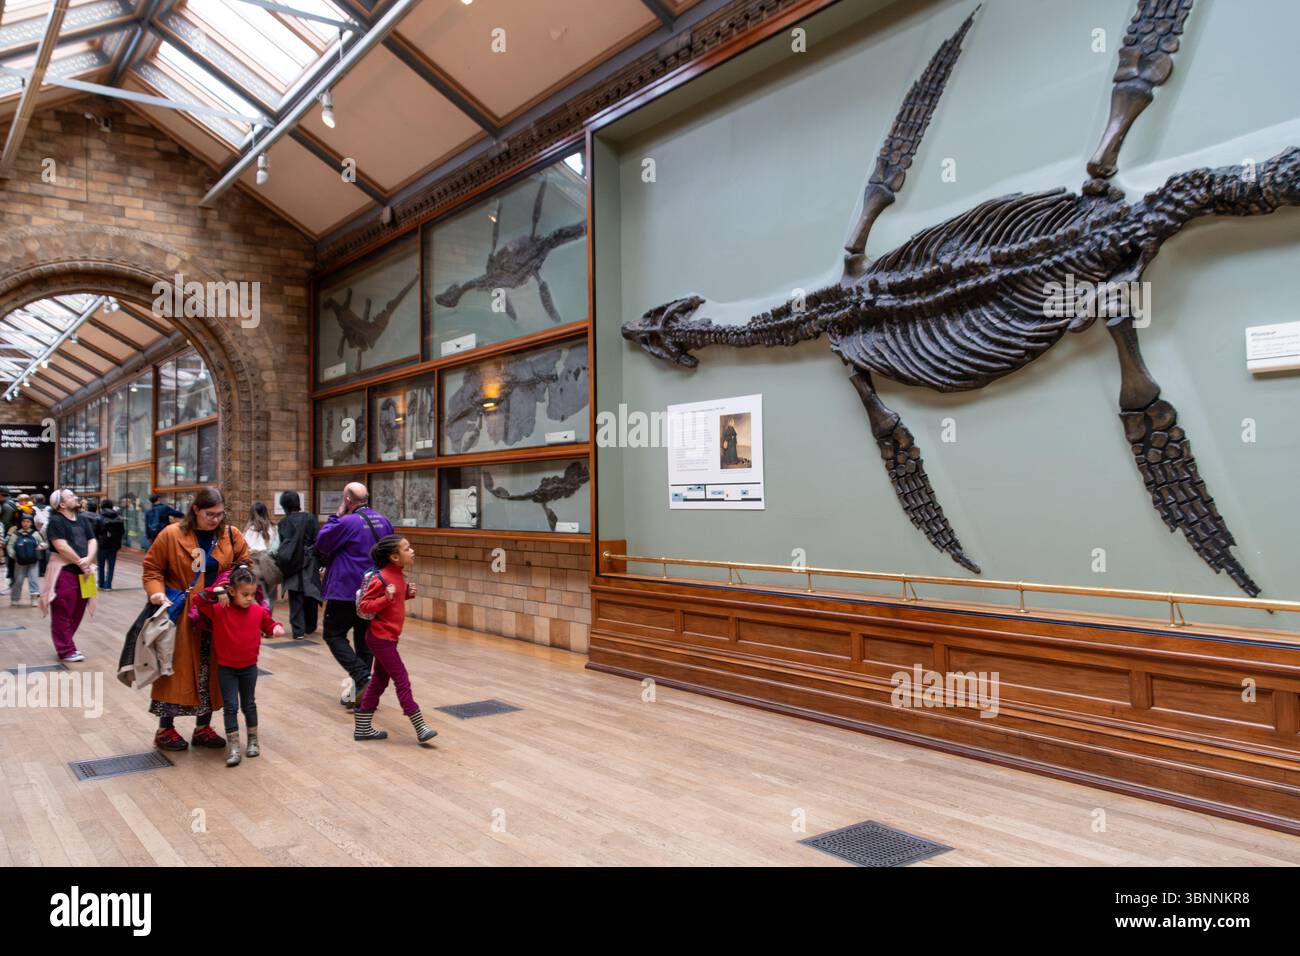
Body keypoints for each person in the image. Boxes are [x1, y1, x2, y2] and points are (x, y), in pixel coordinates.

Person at [142, 486, 250, 752]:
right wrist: (157, 595)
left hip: (218, 612)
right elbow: (152, 569)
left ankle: (204, 726)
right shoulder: (171, 534)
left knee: (213, 670)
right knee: (174, 668)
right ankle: (165, 728)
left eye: (220, 514)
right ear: (196, 510)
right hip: (182, 613)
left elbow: (245, 563)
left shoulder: (230, 535)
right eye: (210, 514)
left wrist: (234, 582)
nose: (215, 519)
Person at [192, 563, 284, 767]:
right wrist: (217, 591)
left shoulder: (258, 610)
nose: (250, 598)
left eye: (252, 594)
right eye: (245, 594)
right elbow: (197, 600)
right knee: (231, 707)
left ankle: (253, 741)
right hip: (226, 669)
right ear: (232, 591)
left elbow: (269, 623)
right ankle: (234, 747)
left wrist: (276, 627)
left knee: (249, 704)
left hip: (249, 668)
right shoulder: (219, 608)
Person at [315, 482, 392, 708]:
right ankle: (361, 694)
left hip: (346, 591)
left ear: (348, 500)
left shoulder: (346, 521)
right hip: (374, 590)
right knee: (364, 641)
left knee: (332, 634)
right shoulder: (384, 520)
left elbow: (322, 543)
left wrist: (335, 516)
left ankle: (361, 676)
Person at [353, 535, 437, 744]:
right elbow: (364, 606)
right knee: (402, 679)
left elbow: (393, 600)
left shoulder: (398, 576)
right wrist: (386, 597)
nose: (412, 551)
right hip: (380, 639)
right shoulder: (382, 577)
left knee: (379, 682)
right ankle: (420, 726)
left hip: (389, 638)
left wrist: (405, 593)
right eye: (407, 548)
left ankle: (363, 727)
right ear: (394, 557)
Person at [40, 489, 97, 663]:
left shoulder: (82, 519)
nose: (75, 498)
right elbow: (61, 546)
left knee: (79, 609)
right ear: (62, 504)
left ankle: (66, 643)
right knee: (63, 610)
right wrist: (82, 562)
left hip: (85, 571)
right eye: (71, 496)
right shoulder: (56, 522)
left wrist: (88, 559)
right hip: (64, 570)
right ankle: (65, 649)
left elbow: (92, 540)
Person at [275, 491, 320, 639]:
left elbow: (281, 544)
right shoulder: (310, 518)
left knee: (295, 596)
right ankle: (310, 626)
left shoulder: (283, 522)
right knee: (311, 593)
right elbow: (317, 539)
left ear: (284, 506)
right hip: (310, 561)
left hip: (291, 563)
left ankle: (298, 630)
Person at [7, 513, 46, 607]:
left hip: (33, 561)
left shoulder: (35, 534)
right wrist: (13, 555)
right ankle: (15, 598)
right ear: (21, 522)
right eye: (23, 521)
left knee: (33, 579)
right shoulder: (16, 534)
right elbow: (10, 545)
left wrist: (40, 546)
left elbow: (44, 543)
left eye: (28, 521)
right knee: (18, 580)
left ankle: (34, 598)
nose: (25, 523)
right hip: (19, 561)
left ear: (31, 523)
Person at [95, 498, 126, 590]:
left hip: (102, 545)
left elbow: (96, 531)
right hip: (114, 545)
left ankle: (101, 584)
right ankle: (108, 585)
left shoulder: (99, 517)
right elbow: (122, 532)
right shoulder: (119, 517)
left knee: (101, 565)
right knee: (111, 566)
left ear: (102, 506)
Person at [32, 493, 50, 577]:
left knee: (38, 550)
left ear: (34, 500)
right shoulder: (50, 509)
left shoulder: (32, 509)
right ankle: (46, 570)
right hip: (48, 532)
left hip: (37, 532)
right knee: (47, 550)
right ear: (44, 500)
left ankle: (39, 571)